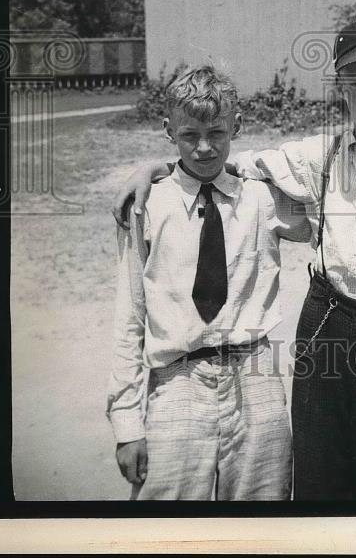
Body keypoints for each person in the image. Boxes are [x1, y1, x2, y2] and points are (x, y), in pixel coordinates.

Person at [112, 19, 356, 500]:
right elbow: (224, 162)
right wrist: (155, 168)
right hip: (325, 328)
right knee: (316, 484)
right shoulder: (315, 156)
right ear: (340, 91)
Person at [106, 64, 310, 501]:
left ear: (237, 126)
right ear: (168, 131)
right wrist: (127, 423)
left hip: (255, 377)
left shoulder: (261, 198)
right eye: (189, 136)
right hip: (178, 378)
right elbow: (130, 316)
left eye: (217, 133)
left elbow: (337, 207)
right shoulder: (147, 206)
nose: (203, 148)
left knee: (264, 525)